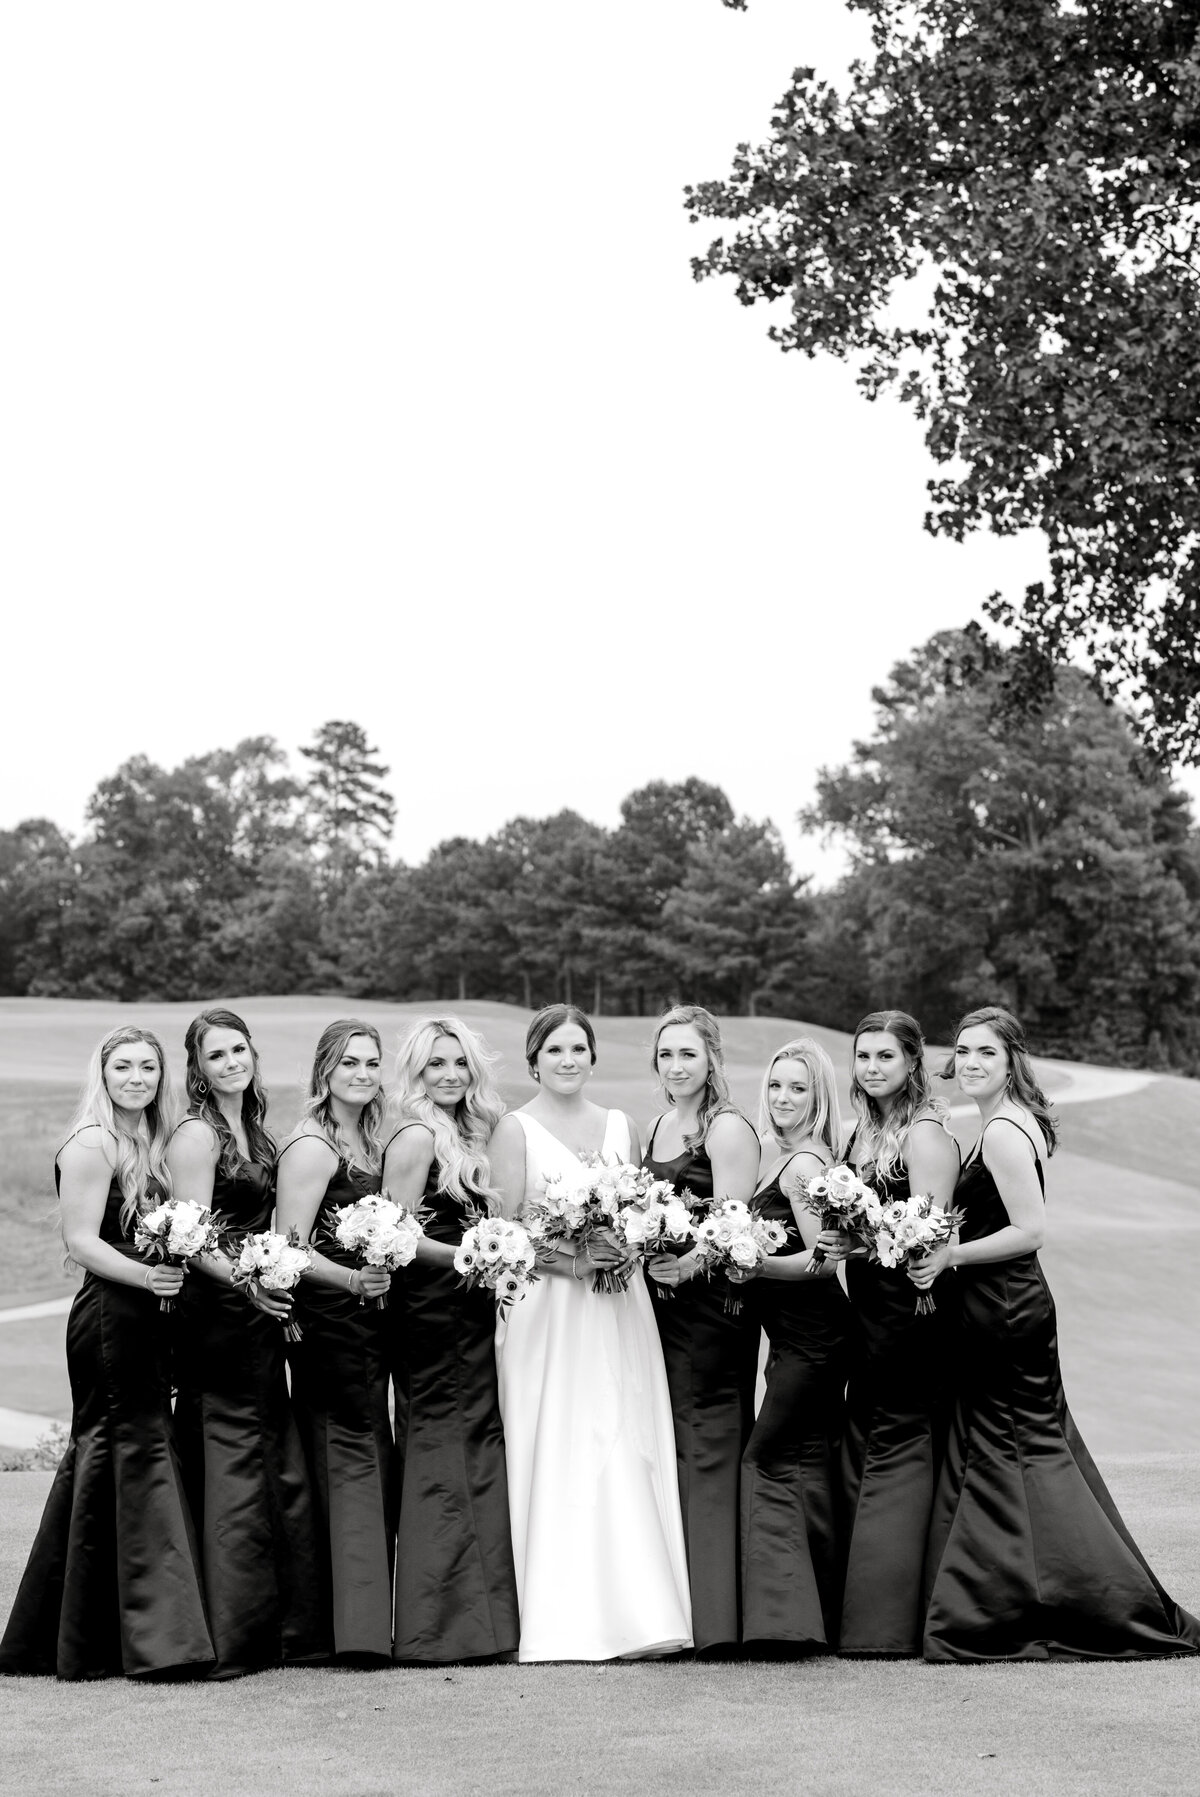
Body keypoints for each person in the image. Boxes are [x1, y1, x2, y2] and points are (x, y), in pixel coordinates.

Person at [914, 1006, 1200, 1662]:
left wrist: (951, 1255)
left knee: (1024, 1454)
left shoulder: (1006, 1132)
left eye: (986, 1051)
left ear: (1012, 1058)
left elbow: (1031, 1228)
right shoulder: (998, 1121)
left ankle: (1077, 1601)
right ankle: (1012, 1597)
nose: (972, 1062)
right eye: (962, 1051)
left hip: (1006, 1310)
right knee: (1028, 1451)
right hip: (1002, 1307)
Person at [0, 1028, 213, 1681]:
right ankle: (155, 1637)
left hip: (154, 1319)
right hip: (111, 1319)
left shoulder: (155, 1144)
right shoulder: (92, 1142)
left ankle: (92, 1631)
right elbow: (82, 1241)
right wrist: (148, 1276)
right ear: (103, 1071)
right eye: (123, 1065)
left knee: (130, 1451)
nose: (136, 1076)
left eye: (148, 1065)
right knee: (121, 1450)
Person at [489, 1004, 691, 1662]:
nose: (568, 1059)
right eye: (555, 1049)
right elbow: (508, 1235)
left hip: (618, 1304)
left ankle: (640, 1608)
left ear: (594, 1056)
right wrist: (574, 1259)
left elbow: (639, 1212)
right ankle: (562, 1616)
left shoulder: (620, 1126)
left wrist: (628, 1246)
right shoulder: (514, 1129)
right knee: (560, 1437)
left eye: (579, 1047)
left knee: (622, 1432)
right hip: (550, 1308)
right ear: (534, 1061)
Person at [168, 1008, 327, 1679]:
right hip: (217, 1313)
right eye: (216, 1054)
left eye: (239, 1049)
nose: (231, 1062)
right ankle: (230, 1630)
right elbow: (190, 1233)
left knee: (268, 1449)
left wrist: (273, 1280)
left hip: (259, 1311)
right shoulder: (197, 1136)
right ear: (198, 1068)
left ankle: (281, 1626)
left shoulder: (258, 1133)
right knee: (229, 1454)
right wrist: (246, 1282)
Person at [384, 1016, 519, 1664]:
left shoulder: (481, 1131)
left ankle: (488, 1615)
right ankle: (437, 1623)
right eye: (435, 1063)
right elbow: (394, 1235)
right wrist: (471, 1255)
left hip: (474, 1314)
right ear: (415, 1071)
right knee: (439, 1449)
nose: (448, 1074)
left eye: (459, 1063)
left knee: (480, 1447)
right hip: (430, 1314)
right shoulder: (414, 1137)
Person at [826, 1009, 960, 1657]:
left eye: (885, 1056)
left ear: (913, 1061)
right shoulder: (858, 1134)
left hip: (915, 1312)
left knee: (899, 1445)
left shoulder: (927, 1135)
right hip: (868, 1309)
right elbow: (861, 1230)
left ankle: (889, 1621)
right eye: (864, 1056)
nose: (872, 1067)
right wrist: (838, 1237)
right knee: (864, 1434)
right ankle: (858, 1608)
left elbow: (930, 1237)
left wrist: (856, 1241)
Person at [642, 1003, 760, 1655]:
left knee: (708, 1445)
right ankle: (676, 1605)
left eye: (688, 1052)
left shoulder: (728, 1128)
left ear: (711, 1056)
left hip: (714, 1312)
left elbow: (735, 1229)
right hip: (658, 1310)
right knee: (670, 1445)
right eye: (666, 1054)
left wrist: (686, 1265)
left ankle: (717, 1618)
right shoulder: (657, 1125)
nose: (677, 1065)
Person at [276, 1019, 394, 1664]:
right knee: (341, 1457)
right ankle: (332, 1629)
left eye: (372, 1063)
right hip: (327, 1322)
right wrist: (355, 1279)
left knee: (369, 1451)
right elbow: (289, 1247)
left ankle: (368, 1616)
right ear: (325, 1070)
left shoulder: (369, 1137)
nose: (362, 1073)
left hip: (368, 1321)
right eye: (350, 1062)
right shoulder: (312, 1145)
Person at [738, 1037, 852, 1654]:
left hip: (815, 1339)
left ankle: (783, 1621)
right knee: (807, 1462)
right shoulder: (772, 1156)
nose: (783, 1098)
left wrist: (754, 1265)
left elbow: (821, 1261)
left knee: (766, 1457)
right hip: (787, 1340)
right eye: (776, 1085)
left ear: (818, 1097)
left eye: (798, 1088)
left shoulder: (806, 1165)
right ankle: (821, 1614)